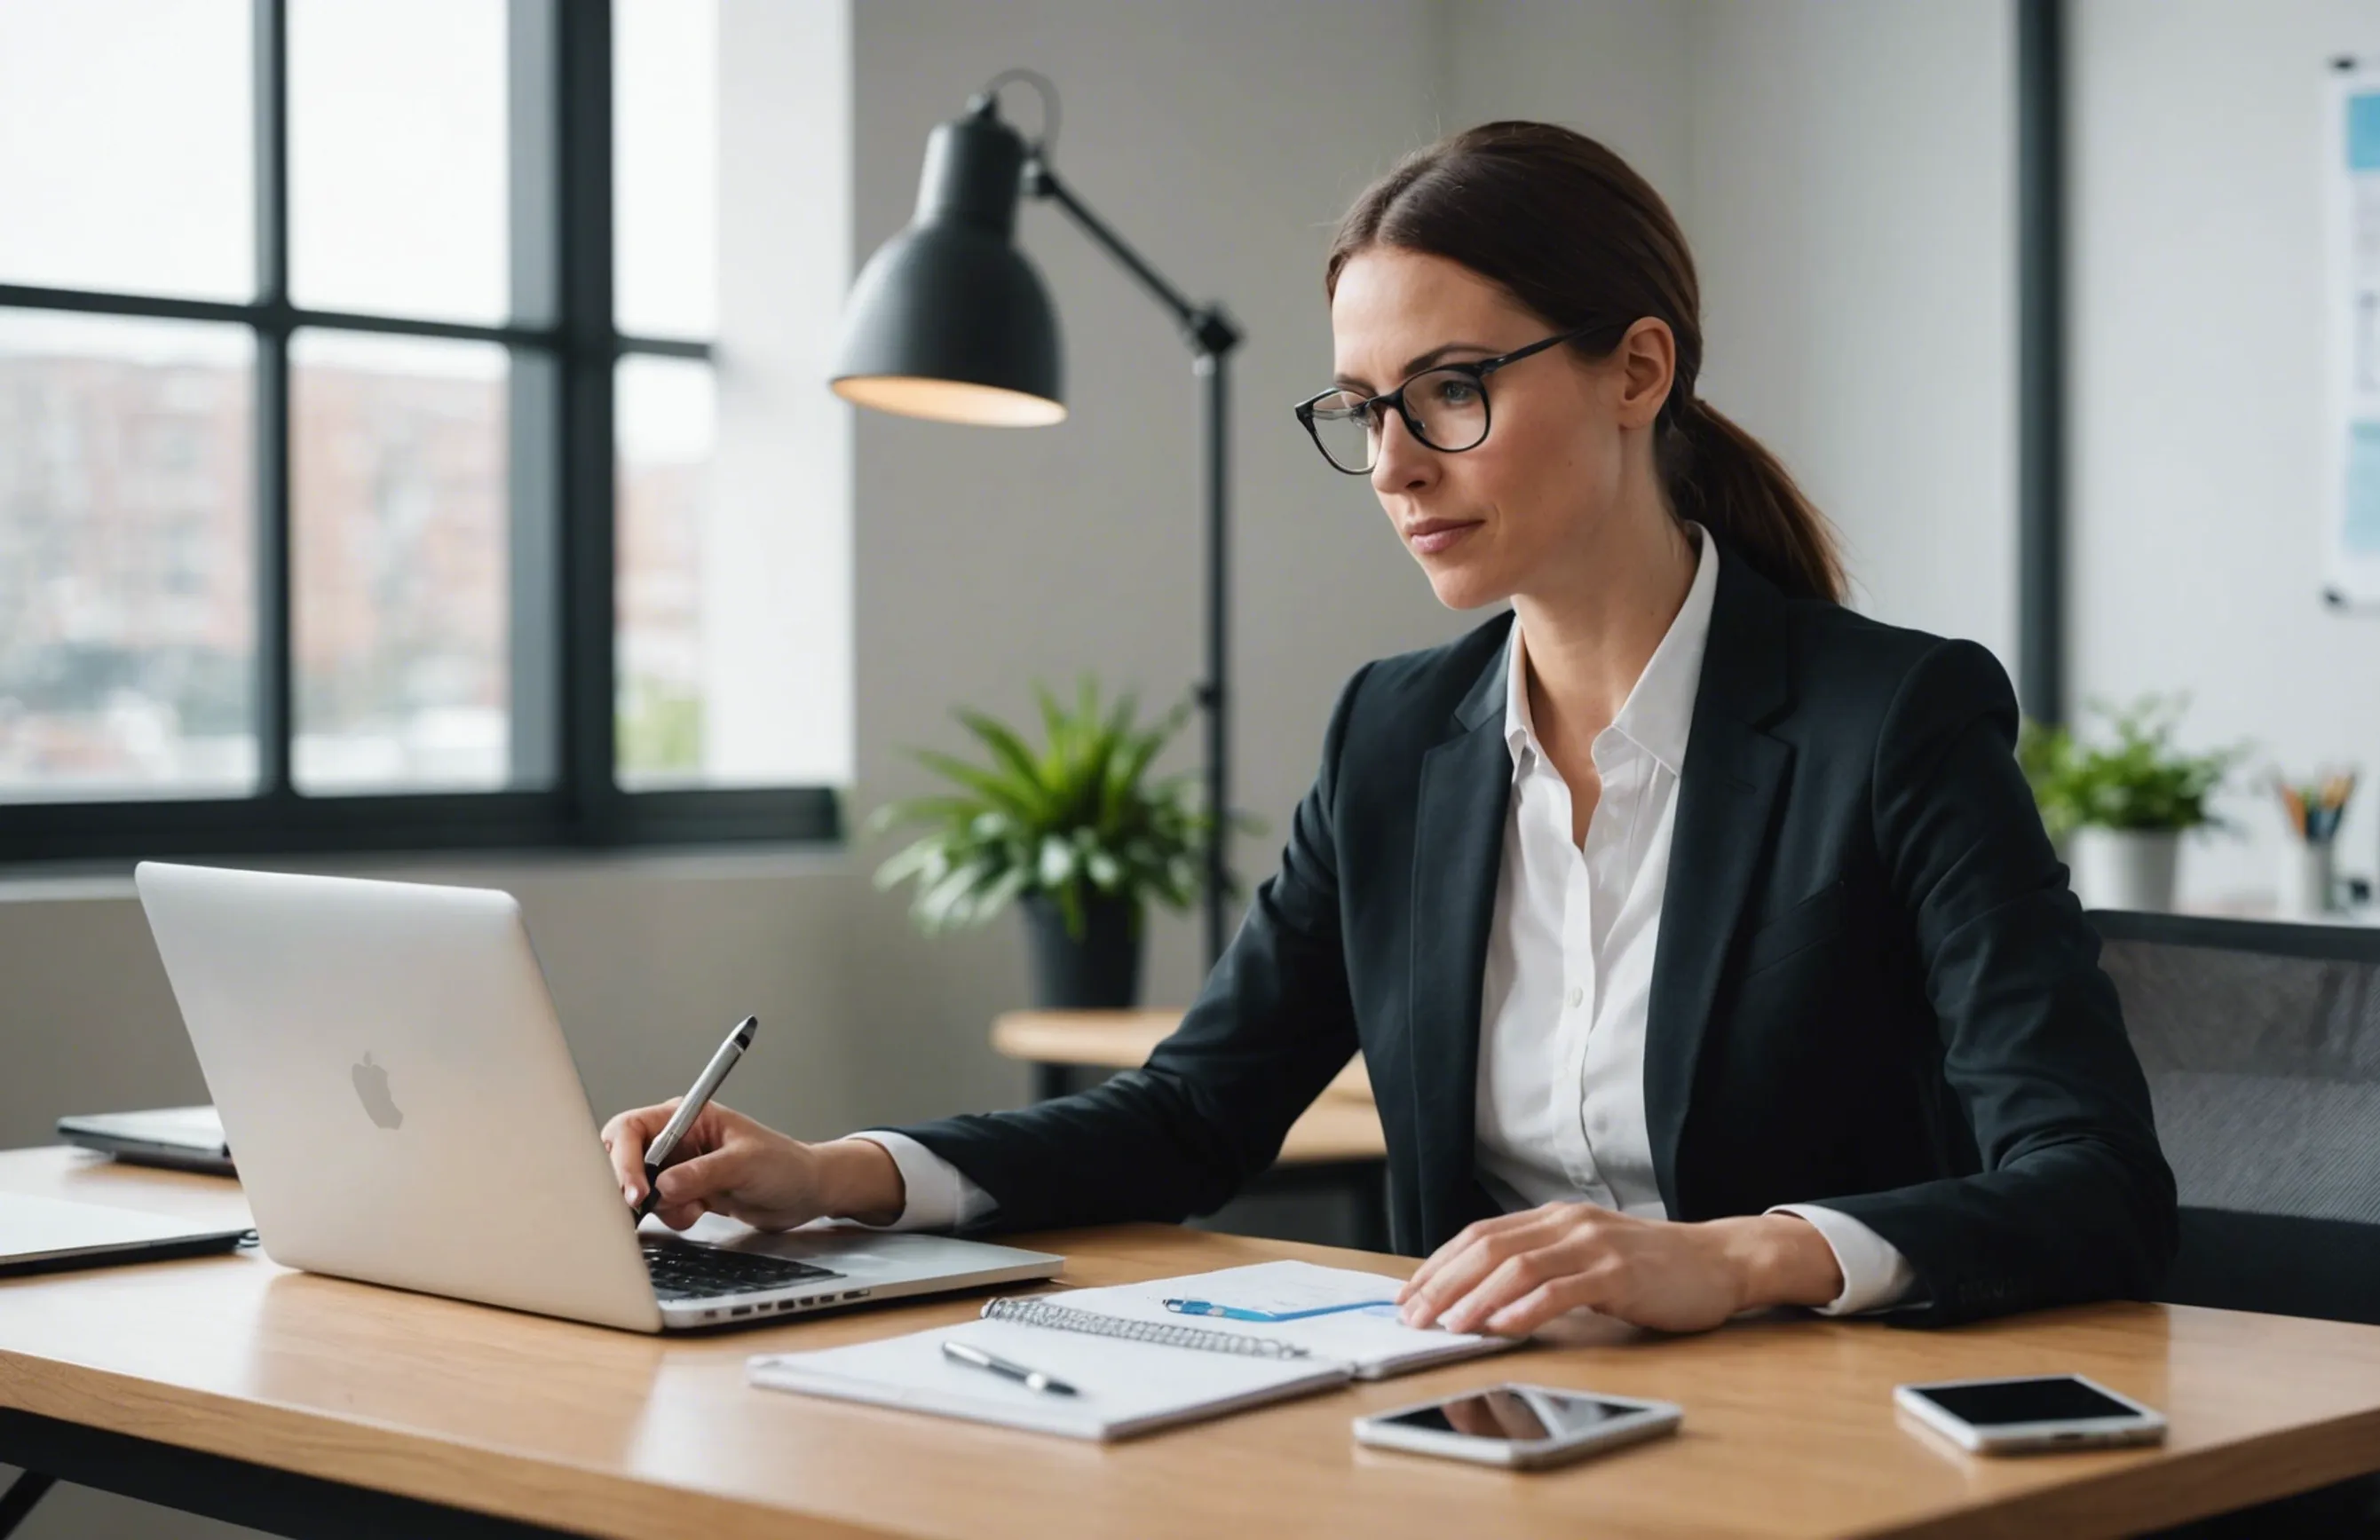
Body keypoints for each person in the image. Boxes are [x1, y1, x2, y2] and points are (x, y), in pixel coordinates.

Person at [605, 120, 2174, 1337]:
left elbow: (2094, 1184)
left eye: (1450, 390)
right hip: (1474, 1421)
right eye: (1363, 407)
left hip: (1810, 1437)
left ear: (1640, 369)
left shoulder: (1890, 719)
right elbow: (1193, 1114)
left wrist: (1739, 1257)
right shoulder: (1396, 734)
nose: (1398, 464)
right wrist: (839, 1178)